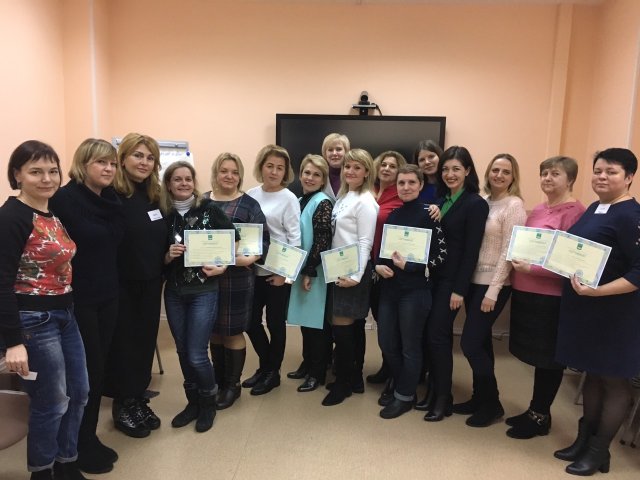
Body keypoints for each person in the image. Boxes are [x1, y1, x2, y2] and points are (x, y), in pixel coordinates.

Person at [0, 140, 89, 480]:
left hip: (65, 315)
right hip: (33, 323)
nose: (47, 179)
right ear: (17, 175)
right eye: (36, 172)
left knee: (78, 393)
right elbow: (2, 283)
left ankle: (66, 462)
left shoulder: (50, 215)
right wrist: (13, 342)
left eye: (53, 171)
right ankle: (42, 471)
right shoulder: (11, 217)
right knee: (51, 402)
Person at [554, 148, 640, 476]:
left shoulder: (632, 215)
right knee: (592, 373)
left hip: (616, 312)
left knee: (614, 381)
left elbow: (638, 272)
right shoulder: (596, 207)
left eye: (611, 172)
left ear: (629, 177)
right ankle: (584, 441)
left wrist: (599, 291)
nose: (602, 176)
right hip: (586, 308)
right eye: (598, 170)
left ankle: (599, 450)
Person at [49, 139, 124, 474]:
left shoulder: (111, 199)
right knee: (84, 376)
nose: (108, 169)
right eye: (100, 162)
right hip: (78, 299)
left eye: (112, 163)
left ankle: (88, 437)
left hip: (108, 294)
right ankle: (73, 445)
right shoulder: (64, 200)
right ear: (83, 164)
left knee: (100, 368)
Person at [506, 156, 584, 439]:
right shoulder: (538, 209)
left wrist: (533, 269)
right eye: (544, 174)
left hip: (551, 297)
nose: (547, 178)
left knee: (549, 360)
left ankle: (539, 416)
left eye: (555, 174)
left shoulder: (576, 213)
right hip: (525, 291)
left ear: (570, 179)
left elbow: (571, 262)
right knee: (537, 359)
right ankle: (535, 410)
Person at [160, 161, 238, 432]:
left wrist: (223, 265)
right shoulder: (163, 214)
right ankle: (192, 403)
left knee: (196, 354)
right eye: (177, 179)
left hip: (203, 291)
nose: (183, 183)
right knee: (183, 352)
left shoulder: (209, 209)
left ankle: (208, 403)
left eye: (188, 179)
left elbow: (234, 238)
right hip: (174, 292)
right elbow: (154, 256)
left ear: (194, 182)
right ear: (168, 184)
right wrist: (167, 255)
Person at [452, 154, 527, 427]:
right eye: (495, 170)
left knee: (469, 343)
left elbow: (509, 250)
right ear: (487, 172)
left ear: (513, 176)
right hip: (473, 281)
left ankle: (493, 403)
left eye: (506, 171)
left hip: (493, 284)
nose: (499, 175)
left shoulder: (514, 205)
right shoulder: (482, 201)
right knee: (481, 342)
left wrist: (493, 291)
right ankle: (479, 398)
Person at [105, 133, 167, 438]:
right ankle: (123, 403)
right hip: (121, 284)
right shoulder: (111, 195)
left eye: (150, 157)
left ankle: (138, 397)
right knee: (124, 346)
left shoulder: (154, 195)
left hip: (151, 282)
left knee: (144, 343)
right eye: (138, 155)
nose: (144, 162)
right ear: (123, 158)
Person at [375, 165, 447, 419]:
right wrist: (378, 266)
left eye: (411, 183)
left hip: (415, 292)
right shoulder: (393, 216)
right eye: (401, 183)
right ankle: (401, 382)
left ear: (420, 185)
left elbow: (441, 257)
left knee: (410, 347)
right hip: (389, 290)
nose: (406, 187)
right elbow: (384, 254)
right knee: (386, 342)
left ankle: (405, 396)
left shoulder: (430, 214)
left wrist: (412, 266)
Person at [424, 146, 489, 422]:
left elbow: (471, 251)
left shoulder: (475, 204)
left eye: (456, 169)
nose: (450, 174)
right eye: (446, 169)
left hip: (452, 282)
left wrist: (459, 290)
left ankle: (443, 397)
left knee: (437, 336)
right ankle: (434, 390)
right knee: (434, 335)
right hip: (433, 278)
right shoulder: (442, 200)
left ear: (468, 171)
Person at [206, 153, 269, 410]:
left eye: (234, 172)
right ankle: (219, 381)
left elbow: (262, 243)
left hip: (237, 280)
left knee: (232, 331)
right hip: (205, 280)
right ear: (216, 172)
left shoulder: (249, 205)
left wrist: (245, 258)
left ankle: (232, 386)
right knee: (213, 331)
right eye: (224, 171)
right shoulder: (202, 202)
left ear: (240, 176)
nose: (229, 176)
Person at [322, 148, 379, 406]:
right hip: (338, 267)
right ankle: (354, 377)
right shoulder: (345, 196)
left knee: (342, 328)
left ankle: (343, 384)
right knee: (353, 328)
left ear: (367, 172)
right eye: (347, 166)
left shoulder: (365, 201)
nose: (350, 171)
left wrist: (356, 275)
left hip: (353, 271)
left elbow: (366, 242)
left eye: (357, 167)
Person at [243, 145, 301, 395]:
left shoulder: (289, 198)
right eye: (270, 166)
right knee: (250, 322)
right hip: (251, 271)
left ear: (285, 172)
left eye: (280, 168)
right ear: (261, 167)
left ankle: (272, 373)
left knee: (276, 324)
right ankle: (267, 366)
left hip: (276, 274)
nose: (274, 172)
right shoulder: (250, 194)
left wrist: (285, 276)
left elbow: (295, 239)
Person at [287, 154, 333, 392]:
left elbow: (322, 240)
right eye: (307, 172)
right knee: (306, 322)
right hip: (303, 268)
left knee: (316, 325)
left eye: (317, 174)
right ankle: (307, 364)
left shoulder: (322, 202)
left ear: (323, 179)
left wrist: (309, 271)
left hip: (314, 271)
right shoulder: (300, 199)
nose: (310, 178)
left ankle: (317, 372)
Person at [365, 151, 406, 386]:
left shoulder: (401, 196)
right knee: (380, 322)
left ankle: (395, 373)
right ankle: (386, 367)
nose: (387, 168)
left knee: (390, 325)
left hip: (390, 270)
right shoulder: (368, 192)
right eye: (383, 164)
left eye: (393, 165)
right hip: (369, 266)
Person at [321, 133, 350, 201]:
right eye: (330, 150)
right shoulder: (320, 174)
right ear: (325, 153)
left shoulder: (353, 175)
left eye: (338, 149)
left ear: (346, 152)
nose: (334, 153)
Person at [413, 140, 444, 204]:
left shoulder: (450, 185)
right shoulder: (415, 188)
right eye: (422, 160)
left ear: (440, 156)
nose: (427, 162)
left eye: (431, 157)